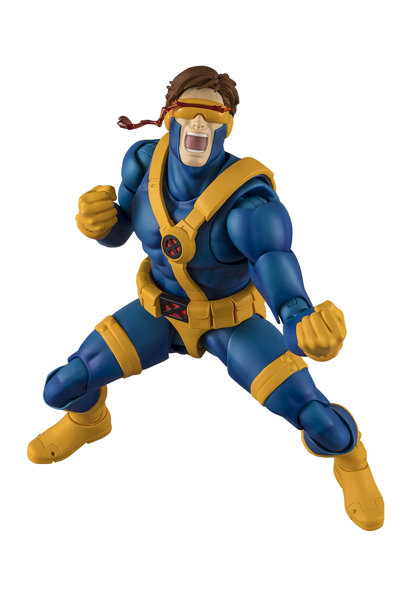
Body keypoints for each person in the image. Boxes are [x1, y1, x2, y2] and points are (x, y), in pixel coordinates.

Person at [28, 66, 384, 531]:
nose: (199, 123)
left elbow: (274, 264)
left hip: (230, 323)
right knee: (62, 387)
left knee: (322, 423)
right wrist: (101, 223)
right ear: (168, 115)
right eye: (190, 110)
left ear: (228, 123)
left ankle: (352, 460)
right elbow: (123, 230)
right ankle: (89, 422)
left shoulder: (249, 205)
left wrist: (300, 319)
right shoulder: (142, 162)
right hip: (158, 312)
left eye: (212, 114)